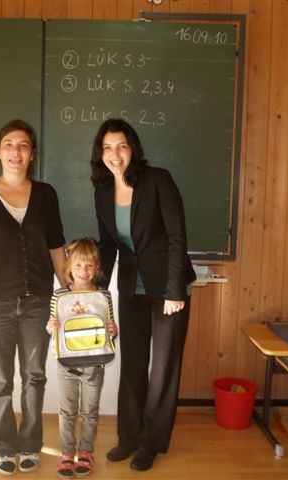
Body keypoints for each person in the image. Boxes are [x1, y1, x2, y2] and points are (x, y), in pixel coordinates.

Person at [89, 118, 196, 471]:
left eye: (121, 146)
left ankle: (151, 442)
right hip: (130, 288)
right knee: (132, 366)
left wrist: (175, 289)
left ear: (133, 148)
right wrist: (96, 292)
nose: (115, 154)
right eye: (107, 147)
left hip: (168, 289)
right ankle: (129, 438)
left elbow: (177, 237)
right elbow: (108, 245)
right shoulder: (103, 191)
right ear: (100, 153)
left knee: (162, 369)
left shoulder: (158, 180)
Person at [0, 119, 66, 476]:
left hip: (38, 301)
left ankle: (30, 444)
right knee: (0, 380)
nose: (15, 151)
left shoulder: (47, 195)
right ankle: (4, 446)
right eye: (8, 144)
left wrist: (69, 294)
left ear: (32, 153)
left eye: (23, 145)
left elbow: (56, 246)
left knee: (35, 376)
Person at [46, 237, 118, 479]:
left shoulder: (104, 295)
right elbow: (52, 328)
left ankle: (86, 452)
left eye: (89, 266)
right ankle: (67, 453)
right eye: (78, 265)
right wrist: (50, 325)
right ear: (69, 267)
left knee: (90, 411)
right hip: (66, 364)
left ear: (97, 267)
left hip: (94, 363)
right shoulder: (59, 295)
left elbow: (109, 327)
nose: (83, 271)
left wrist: (113, 330)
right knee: (67, 411)